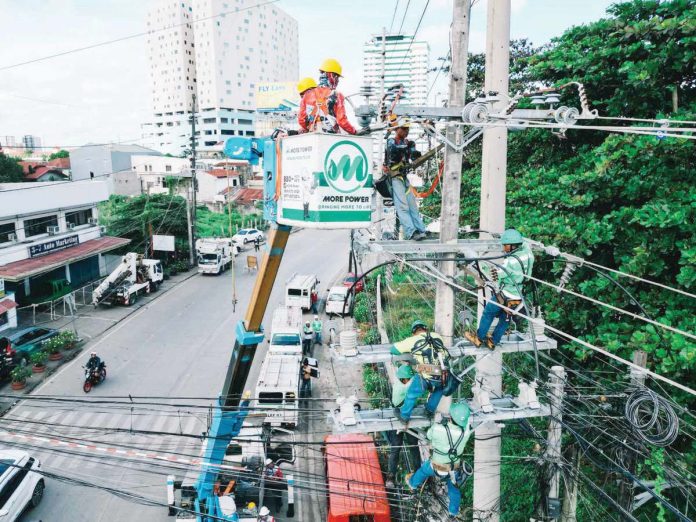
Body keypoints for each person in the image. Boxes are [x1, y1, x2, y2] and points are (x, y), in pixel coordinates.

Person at [465, 229, 535, 350]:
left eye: (505, 245)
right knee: (505, 318)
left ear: (512, 246)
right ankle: (493, 341)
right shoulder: (528, 254)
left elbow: (494, 276)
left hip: (505, 295)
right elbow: (524, 243)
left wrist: (478, 262)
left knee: (488, 313)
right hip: (518, 296)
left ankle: (479, 338)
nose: (503, 247)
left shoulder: (509, 261)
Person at [406, 402, 473, 519]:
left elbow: (429, 435)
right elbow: (467, 423)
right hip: (453, 469)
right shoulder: (466, 433)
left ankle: (412, 484)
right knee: (454, 489)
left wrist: (437, 422)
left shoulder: (439, 429)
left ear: (451, 417)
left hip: (436, 466)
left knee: (423, 471)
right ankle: (453, 511)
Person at [390, 320, 457, 423]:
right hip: (443, 373)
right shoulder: (437, 336)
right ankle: (429, 410)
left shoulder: (412, 340)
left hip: (425, 374)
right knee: (438, 390)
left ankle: (404, 416)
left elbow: (393, 350)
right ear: (425, 329)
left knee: (412, 394)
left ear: (414, 331)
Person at [384, 122, 427, 241]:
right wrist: (408, 147)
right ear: (396, 129)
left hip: (404, 178)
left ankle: (421, 230)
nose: (406, 131)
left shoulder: (409, 143)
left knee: (412, 205)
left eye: (407, 129)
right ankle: (411, 231)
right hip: (394, 177)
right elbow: (394, 151)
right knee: (402, 206)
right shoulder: (391, 142)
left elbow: (413, 156)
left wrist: (415, 154)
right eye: (403, 129)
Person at [298, 58, 357, 135]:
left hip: (312, 137)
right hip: (330, 139)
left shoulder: (306, 95)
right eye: (337, 77)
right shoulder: (337, 95)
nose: (338, 81)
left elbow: (302, 121)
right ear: (332, 76)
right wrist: (354, 131)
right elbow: (342, 121)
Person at [386, 364, 421, 487]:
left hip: (402, 416)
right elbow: (417, 388)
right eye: (409, 378)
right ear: (405, 379)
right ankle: (417, 472)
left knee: (397, 448)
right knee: (412, 448)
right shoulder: (404, 388)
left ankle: (391, 476)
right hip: (404, 416)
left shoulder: (398, 382)